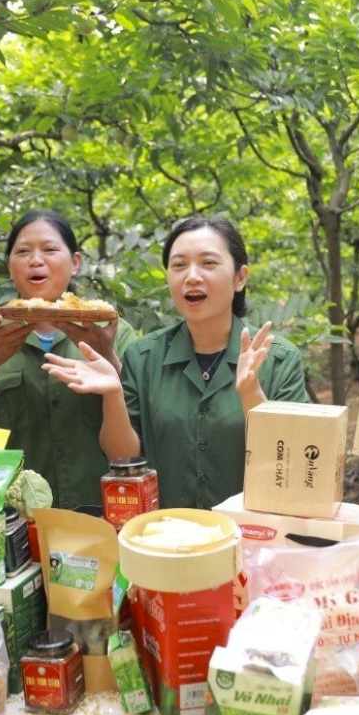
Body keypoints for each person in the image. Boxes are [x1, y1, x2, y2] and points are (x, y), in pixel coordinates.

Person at [42, 215, 309, 510]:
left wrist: (250, 395)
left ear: (240, 277)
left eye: (208, 263)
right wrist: (113, 394)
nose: (191, 276)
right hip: (166, 537)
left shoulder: (279, 359)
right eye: (179, 265)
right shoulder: (143, 357)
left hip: (253, 537)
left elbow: (295, 468)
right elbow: (122, 459)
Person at [0, 211, 138, 509]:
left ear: (75, 263)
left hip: (99, 510)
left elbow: (140, 428)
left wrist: (108, 355)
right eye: (22, 252)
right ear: (9, 267)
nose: (35, 260)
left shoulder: (113, 331)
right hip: (9, 517)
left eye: (49, 249)